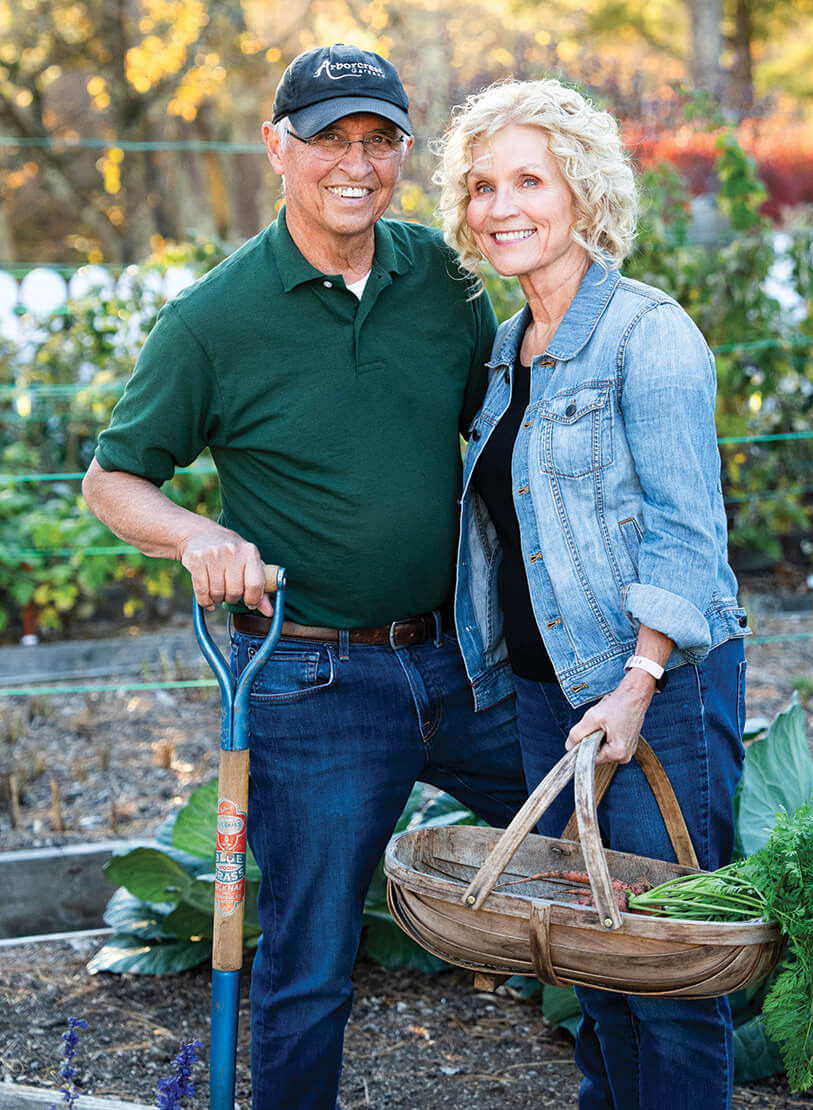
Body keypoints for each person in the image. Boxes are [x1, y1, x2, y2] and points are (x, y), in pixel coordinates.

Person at [82, 44, 528, 1110]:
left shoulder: (444, 280)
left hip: (467, 662)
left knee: (604, 857)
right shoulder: (213, 321)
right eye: (331, 139)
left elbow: (495, 437)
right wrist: (197, 538)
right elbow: (114, 480)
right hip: (311, 681)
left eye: (378, 141)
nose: (357, 165)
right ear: (277, 148)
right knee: (311, 966)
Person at [437, 79, 751, 1110]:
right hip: (549, 694)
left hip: (653, 697)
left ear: (582, 192)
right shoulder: (504, 350)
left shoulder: (646, 337)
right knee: (590, 966)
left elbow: (688, 536)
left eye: (529, 179)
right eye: (482, 186)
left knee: (664, 968)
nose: (500, 207)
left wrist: (637, 683)